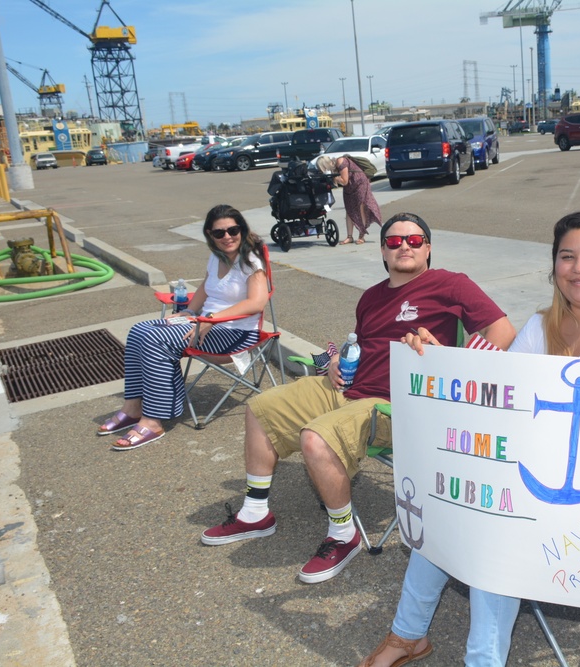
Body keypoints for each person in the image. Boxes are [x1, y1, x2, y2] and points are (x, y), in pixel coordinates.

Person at [360, 210, 580, 667]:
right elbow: (495, 398)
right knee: (450, 500)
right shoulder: (540, 328)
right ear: (554, 267)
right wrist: (443, 366)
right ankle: (407, 635)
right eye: (567, 257)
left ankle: (469, 656)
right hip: (542, 475)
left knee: (498, 526)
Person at [200, 212, 517, 586]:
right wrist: (337, 361)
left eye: (414, 241)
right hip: (348, 388)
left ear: (428, 248)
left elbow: (503, 331)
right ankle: (255, 513)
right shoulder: (371, 297)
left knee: (315, 439)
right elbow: (362, 345)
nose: (404, 246)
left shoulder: (450, 285)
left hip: (399, 404)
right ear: (383, 251)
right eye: (395, 241)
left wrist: (452, 367)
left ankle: (342, 534)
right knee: (262, 407)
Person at [97, 204, 268, 451]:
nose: (227, 237)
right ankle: (132, 408)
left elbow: (257, 302)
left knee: (157, 340)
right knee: (138, 331)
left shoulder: (250, 260)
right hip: (204, 323)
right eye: (219, 233)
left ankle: (153, 420)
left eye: (233, 230)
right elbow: (206, 287)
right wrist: (189, 311)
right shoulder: (216, 256)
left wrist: (210, 318)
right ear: (210, 235)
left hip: (233, 333)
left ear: (241, 229)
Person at [317, 154, 382, 245]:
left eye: (322, 169)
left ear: (325, 165)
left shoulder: (340, 161)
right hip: (349, 187)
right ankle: (349, 237)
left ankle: (361, 236)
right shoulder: (334, 167)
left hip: (360, 183)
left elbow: (344, 181)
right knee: (349, 210)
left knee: (361, 208)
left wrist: (334, 177)